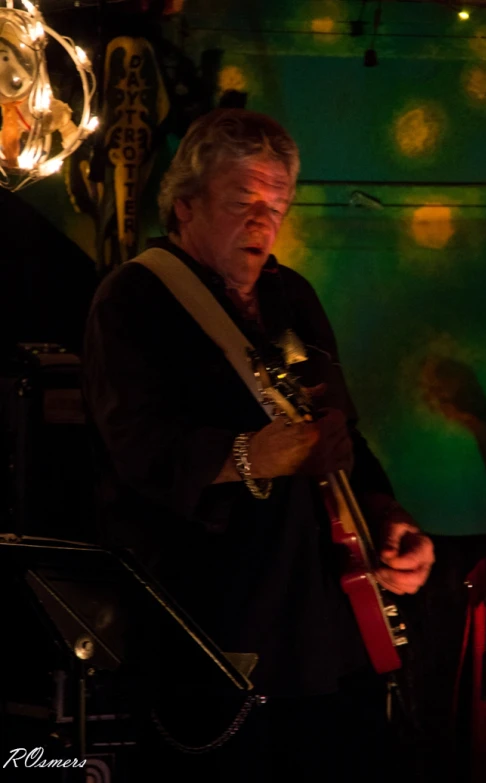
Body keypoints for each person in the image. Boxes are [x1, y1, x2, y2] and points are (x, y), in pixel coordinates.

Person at [82, 108, 435, 781]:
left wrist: (386, 513)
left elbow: (343, 434)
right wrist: (248, 454)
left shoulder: (291, 294)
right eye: (243, 200)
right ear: (185, 206)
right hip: (217, 624)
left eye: (276, 204)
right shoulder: (133, 298)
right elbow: (138, 449)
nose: (263, 220)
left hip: (327, 627)